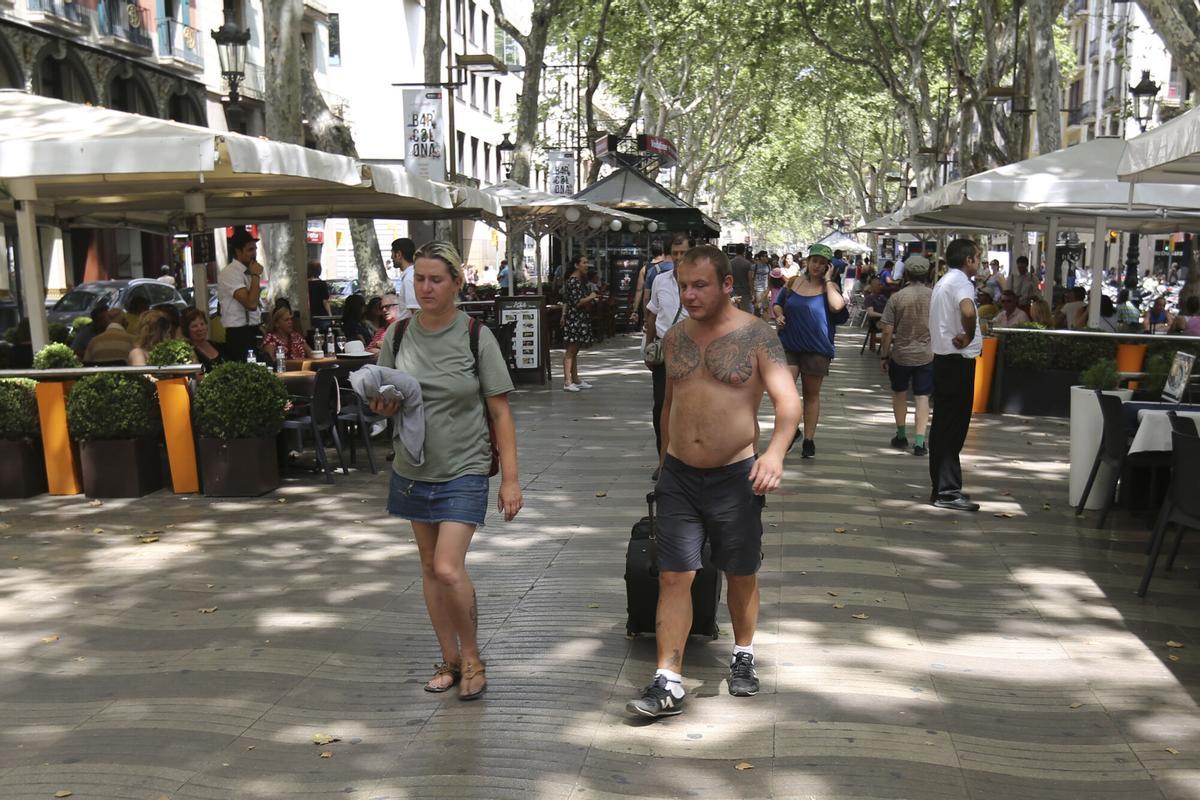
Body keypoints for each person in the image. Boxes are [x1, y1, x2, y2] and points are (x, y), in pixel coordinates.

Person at [625, 244, 801, 719]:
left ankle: (743, 654)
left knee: (740, 571)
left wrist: (775, 454)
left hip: (735, 477)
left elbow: (789, 403)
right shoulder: (676, 336)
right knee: (673, 574)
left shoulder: (757, 336)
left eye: (700, 285)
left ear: (727, 284)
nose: (689, 294)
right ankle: (669, 678)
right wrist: (664, 463)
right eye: (683, 286)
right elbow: (669, 405)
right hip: (680, 476)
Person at [371, 241, 522, 702]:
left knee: (447, 567)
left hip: (466, 467)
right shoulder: (397, 336)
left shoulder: (476, 336)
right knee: (429, 569)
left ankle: (473, 655)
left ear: (457, 282)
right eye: (419, 278)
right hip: (413, 467)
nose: (426, 287)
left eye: (436, 279)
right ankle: (449, 659)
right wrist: (381, 403)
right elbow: (385, 400)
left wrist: (511, 479)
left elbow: (500, 413)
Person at [772, 243, 848, 458]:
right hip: (789, 344)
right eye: (814, 261)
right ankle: (792, 431)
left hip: (817, 348)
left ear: (828, 266)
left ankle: (809, 439)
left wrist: (828, 280)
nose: (817, 266)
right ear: (807, 261)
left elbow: (837, 307)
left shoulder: (830, 288)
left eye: (823, 263)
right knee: (784, 393)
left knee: (811, 395)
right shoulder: (794, 282)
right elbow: (778, 304)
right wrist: (779, 315)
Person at [928, 238, 982, 512]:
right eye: (977, 258)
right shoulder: (961, 282)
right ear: (968, 259)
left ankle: (941, 487)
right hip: (957, 361)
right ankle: (947, 491)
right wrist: (969, 334)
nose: (979, 262)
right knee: (952, 427)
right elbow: (967, 310)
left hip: (944, 360)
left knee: (942, 425)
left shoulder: (944, 281)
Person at [878, 255, 933, 456]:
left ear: (907, 273)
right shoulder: (934, 296)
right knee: (922, 396)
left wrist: (885, 355)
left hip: (901, 355)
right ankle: (920, 442)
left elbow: (886, 331)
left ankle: (901, 436)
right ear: (928, 273)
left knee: (900, 393)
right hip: (927, 355)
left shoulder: (897, 297)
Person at [644, 247, 689, 473]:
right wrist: (648, 347)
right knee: (661, 406)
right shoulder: (660, 280)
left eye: (684, 252)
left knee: (688, 406)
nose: (679, 257)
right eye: (676, 252)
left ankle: (684, 458)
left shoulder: (699, 281)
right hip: (664, 349)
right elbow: (652, 315)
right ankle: (663, 461)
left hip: (692, 350)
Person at [217, 228, 265, 360]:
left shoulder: (248, 270)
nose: (254, 253)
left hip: (253, 329)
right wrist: (255, 275)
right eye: (250, 250)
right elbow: (251, 304)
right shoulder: (230, 273)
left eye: (255, 249)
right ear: (238, 251)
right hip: (238, 333)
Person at [562, 254, 600, 392]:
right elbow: (577, 302)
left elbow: (567, 300)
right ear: (577, 265)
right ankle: (567, 381)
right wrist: (591, 297)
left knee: (575, 349)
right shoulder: (573, 281)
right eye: (584, 262)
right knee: (571, 350)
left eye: (587, 262)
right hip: (575, 319)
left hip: (579, 318)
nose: (586, 265)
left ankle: (575, 379)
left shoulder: (578, 280)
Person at [181, 307, 225, 373]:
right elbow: (198, 377)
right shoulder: (189, 352)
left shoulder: (215, 344)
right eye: (194, 326)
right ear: (186, 330)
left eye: (202, 324)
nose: (200, 328)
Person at [392, 237, 419, 322]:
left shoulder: (409, 278)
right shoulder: (411, 275)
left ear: (399, 254)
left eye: (392, 253)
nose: (391, 257)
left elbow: (416, 312)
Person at [729, 244, 754, 313]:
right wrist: (752, 292)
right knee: (745, 313)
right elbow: (750, 279)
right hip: (745, 292)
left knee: (734, 313)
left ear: (735, 251)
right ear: (744, 251)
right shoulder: (747, 263)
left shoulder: (730, 263)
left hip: (733, 292)